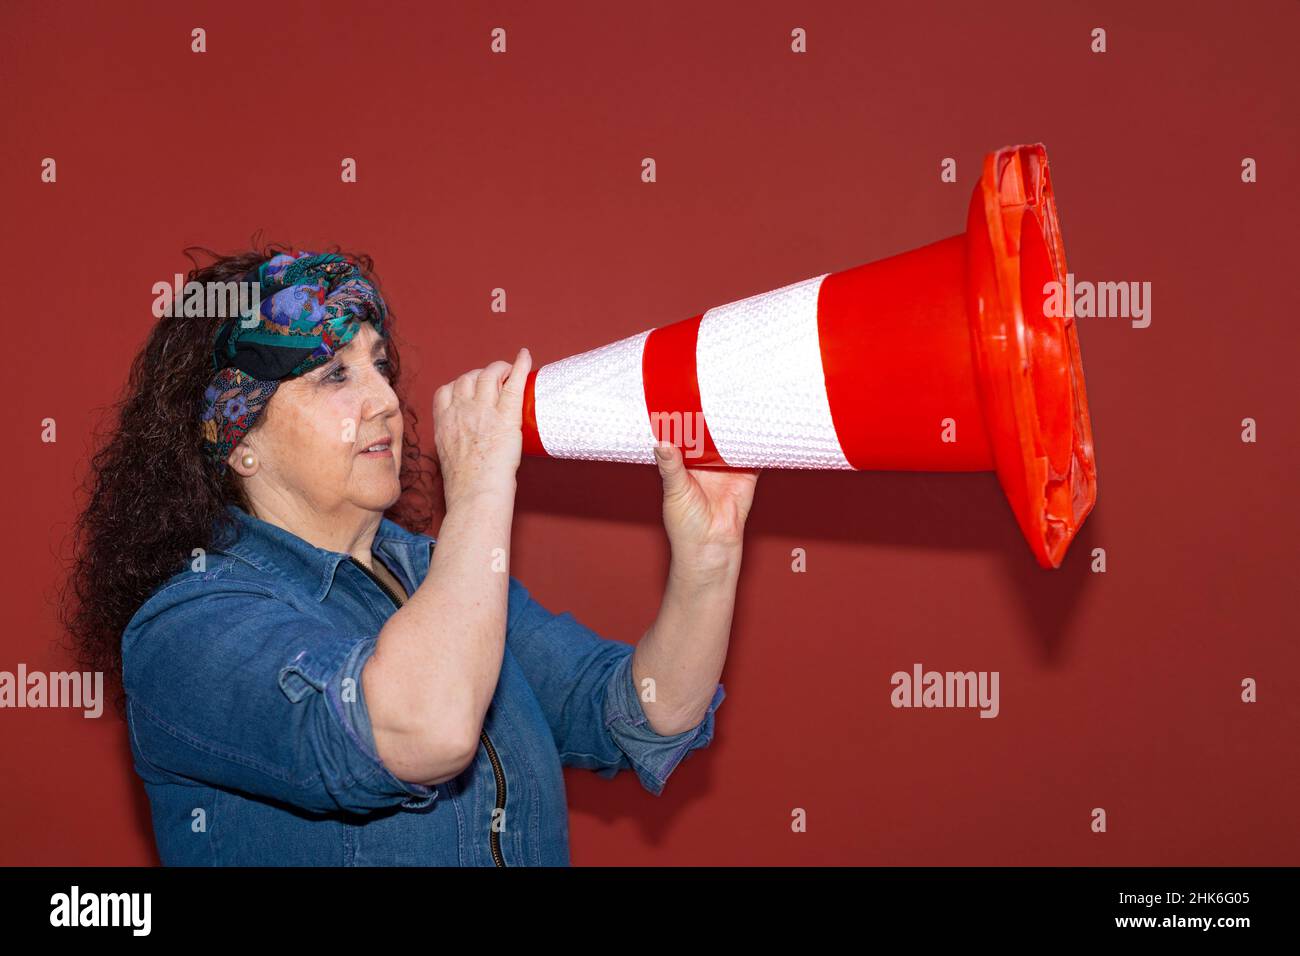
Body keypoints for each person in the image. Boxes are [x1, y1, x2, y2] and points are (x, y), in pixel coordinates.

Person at [62, 242, 758, 866]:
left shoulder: (432, 574)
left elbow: (646, 713)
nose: (386, 400)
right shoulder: (188, 628)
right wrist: (483, 484)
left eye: (381, 365)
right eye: (335, 375)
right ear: (239, 440)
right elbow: (427, 728)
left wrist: (709, 563)